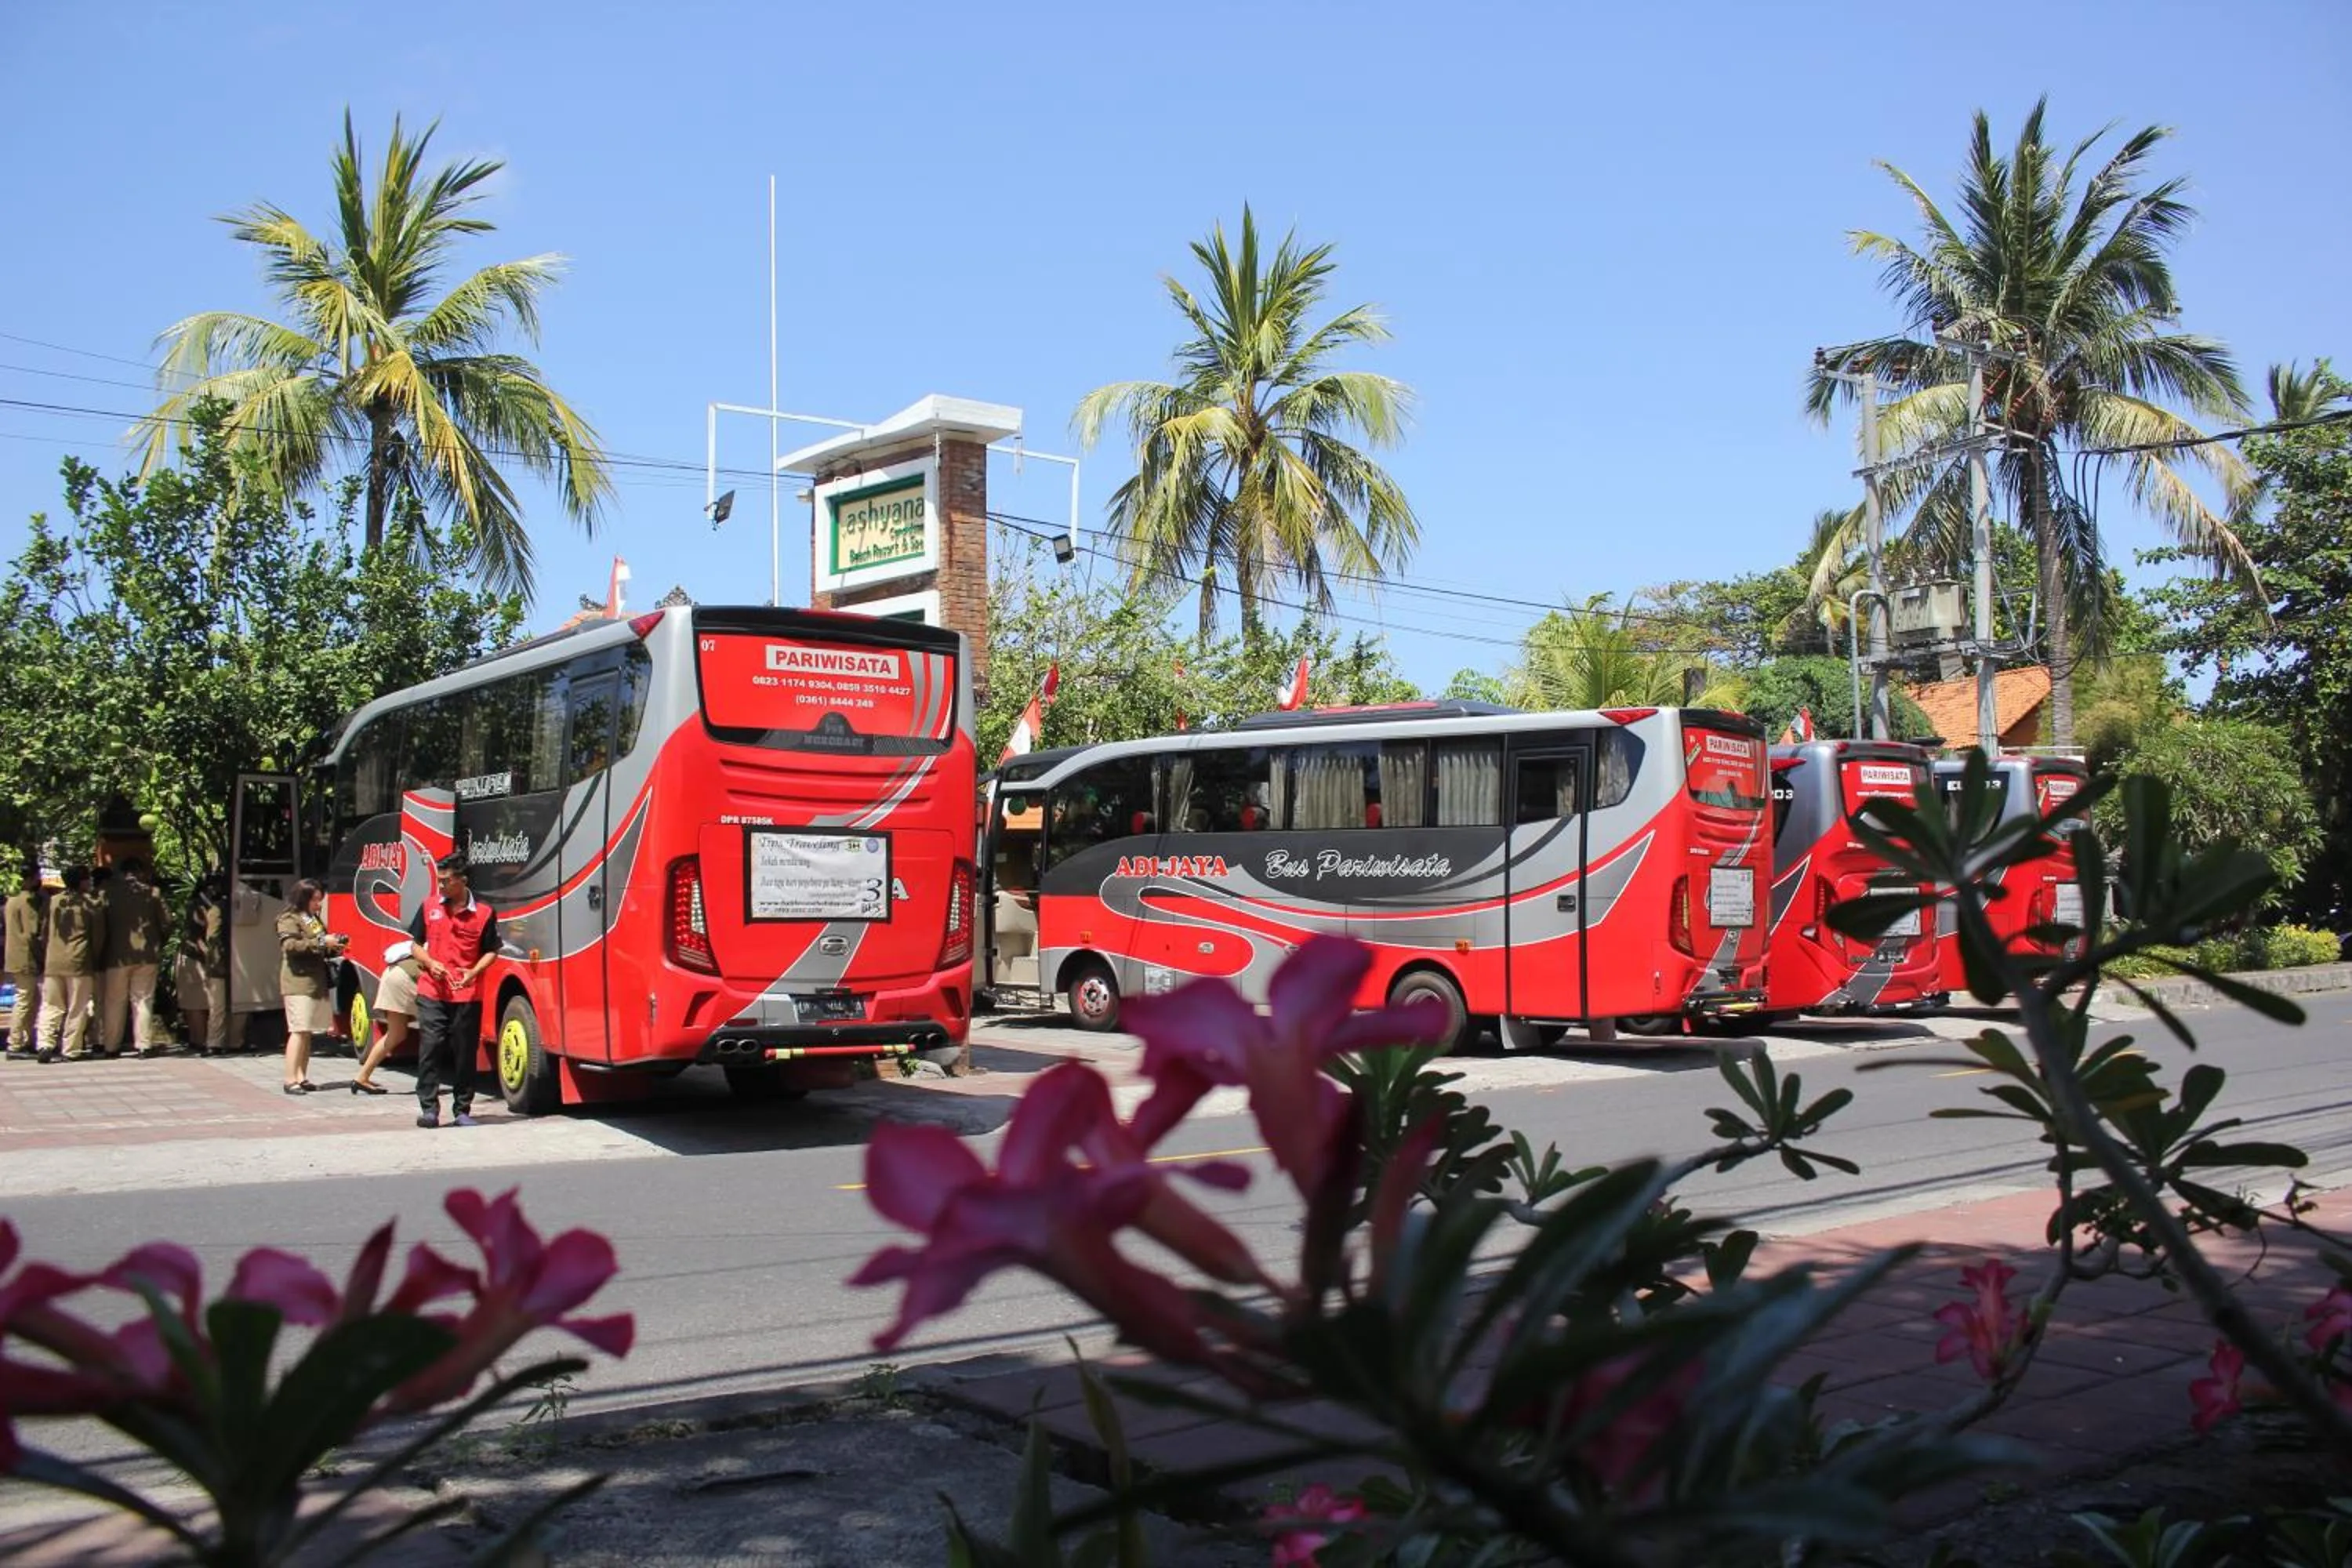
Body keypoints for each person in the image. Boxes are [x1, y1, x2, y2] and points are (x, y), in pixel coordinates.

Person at [409, 855, 499, 1130]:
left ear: (463, 880)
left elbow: (492, 951)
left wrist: (474, 972)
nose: (442, 885)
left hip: (467, 994)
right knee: (431, 1046)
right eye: (440, 879)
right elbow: (414, 945)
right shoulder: (429, 907)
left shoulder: (484, 913)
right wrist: (430, 962)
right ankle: (429, 1109)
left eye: (447, 880)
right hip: (432, 990)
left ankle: (462, 1110)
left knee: (464, 1052)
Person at [275, 879, 347, 1094]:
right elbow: (290, 946)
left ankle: (302, 1076)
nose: (318, 904)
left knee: (307, 1032)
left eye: (320, 900)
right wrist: (323, 943)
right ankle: (290, 1079)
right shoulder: (288, 918)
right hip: (298, 982)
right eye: (315, 899)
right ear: (303, 898)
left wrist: (335, 945)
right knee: (298, 1030)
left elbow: (322, 942)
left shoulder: (312, 919)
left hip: (316, 981)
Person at [101, 858, 169, 1058]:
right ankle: (143, 1045)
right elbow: (167, 922)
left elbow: (100, 924)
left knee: (114, 1001)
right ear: (139, 872)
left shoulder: (108, 894)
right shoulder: (153, 893)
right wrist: (158, 942)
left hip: (116, 956)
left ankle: (111, 1046)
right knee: (143, 999)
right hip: (147, 954)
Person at [36, 866, 101, 1062]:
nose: (89, 882)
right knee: (77, 1007)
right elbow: (98, 936)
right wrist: (95, 958)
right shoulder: (90, 904)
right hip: (79, 962)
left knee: (50, 1005)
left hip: (53, 961)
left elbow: (44, 932)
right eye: (87, 879)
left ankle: (45, 1044)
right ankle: (71, 1049)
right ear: (81, 881)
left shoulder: (53, 902)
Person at [350, 941, 423, 1095]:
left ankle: (362, 1077)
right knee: (434, 1030)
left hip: (394, 974)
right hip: (406, 978)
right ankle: (427, 1083)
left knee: (396, 1034)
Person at [174, 874, 230, 1056]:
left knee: (204, 1002)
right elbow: (199, 937)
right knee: (196, 1003)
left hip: (203, 959)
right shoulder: (199, 907)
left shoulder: (210, 907)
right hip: (194, 959)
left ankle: (203, 1040)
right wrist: (211, 957)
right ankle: (199, 1040)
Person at [4, 854, 44, 1058]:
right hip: (26, 957)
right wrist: (41, 957)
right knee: (25, 1001)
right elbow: (31, 933)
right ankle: (16, 1043)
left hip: (15, 956)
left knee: (30, 1000)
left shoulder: (12, 901)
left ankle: (27, 1040)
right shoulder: (28, 901)